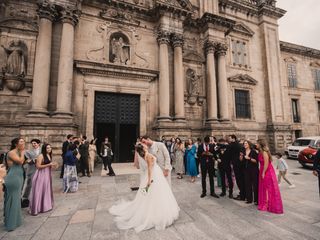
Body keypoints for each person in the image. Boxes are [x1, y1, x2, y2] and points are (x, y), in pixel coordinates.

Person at [109, 143, 179, 232]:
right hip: (154, 175)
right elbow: (150, 169)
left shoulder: (145, 155)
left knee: (156, 193)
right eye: (144, 145)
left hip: (156, 173)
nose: (145, 145)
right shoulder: (148, 155)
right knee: (156, 193)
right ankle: (155, 213)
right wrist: (149, 181)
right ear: (143, 148)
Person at [3, 138, 25, 231]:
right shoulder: (12, 152)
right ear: (16, 144)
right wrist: (23, 151)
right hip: (13, 177)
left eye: (24, 141)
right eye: (21, 142)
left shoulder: (19, 152)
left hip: (19, 175)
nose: (23, 143)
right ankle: (10, 223)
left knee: (16, 198)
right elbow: (20, 161)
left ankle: (15, 220)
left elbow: (22, 162)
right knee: (13, 199)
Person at [256, 139, 283, 214]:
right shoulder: (260, 152)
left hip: (267, 171)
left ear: (260, 144)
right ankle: (265, 202)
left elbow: (266, 163)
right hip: (263, 170)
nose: (256, 145)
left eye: (257, 143)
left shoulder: (264, 152)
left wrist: (263, 172)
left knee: (269, 188)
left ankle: (273, 205)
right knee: (264, 188)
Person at [29, 143, 55, 216]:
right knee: (39, 190)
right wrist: (48, 165)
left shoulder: (49, 155)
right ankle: (37, 208)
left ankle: (45, 206)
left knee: (46, 189)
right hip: (40, 175)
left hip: (47, 174)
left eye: (50, 148)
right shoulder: (41, 155)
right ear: (44, 149)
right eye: (47, 148)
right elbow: (38, 166)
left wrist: (53, 166)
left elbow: (49, 165)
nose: (49, 149)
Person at [22, 138, 41, 208]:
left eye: (35, 143)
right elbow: (28, 161)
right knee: (29, 184)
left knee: (39, 184)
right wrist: (34, 159)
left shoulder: (42, 150)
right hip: (31, 169)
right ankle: (25, 198)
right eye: (32, 143)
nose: (33, 145)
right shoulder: (28, 152)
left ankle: (38, 197)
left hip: (40, 169)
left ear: (38, 144)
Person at [242, 140, 259, 204]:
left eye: (246, 143)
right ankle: (249, 199)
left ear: (249, 144)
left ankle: (256, 200)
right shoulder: (243, 151)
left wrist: (249, 158)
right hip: (246, 170)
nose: (244, 144)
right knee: (247, 184)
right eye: (244, 143)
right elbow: (242, 160)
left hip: (254, 170)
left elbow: (256, 161)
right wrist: (241, 157)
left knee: (255, 185)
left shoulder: (253, 152)